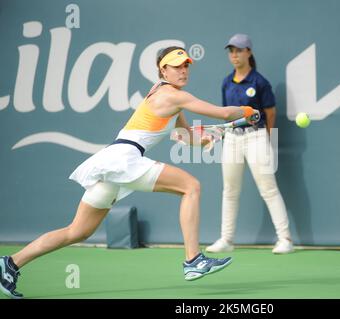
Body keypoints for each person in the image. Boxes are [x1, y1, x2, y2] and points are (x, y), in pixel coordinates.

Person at [0, 46, 258, 299]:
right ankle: (193, 260)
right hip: (125, 159)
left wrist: (206, 138)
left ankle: (10, 264)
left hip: (114, 161)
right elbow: (224, 112)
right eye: (176, 66)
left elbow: (184, 135)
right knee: (191, 186)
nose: (183, 70)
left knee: (77, 231)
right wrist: (248, 111)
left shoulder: (166, 96)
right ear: (163, 70)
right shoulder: (173, 95)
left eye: (186, 65)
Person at [206, 34, 294, 255]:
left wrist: (267, 139)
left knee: (268, 188)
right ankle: (226, 239)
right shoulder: (226, 82)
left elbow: (270, 113)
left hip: (256, 137)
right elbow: (227, 115)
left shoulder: (260, 82)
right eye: (231, 51)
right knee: (230, 190)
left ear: (249, 52)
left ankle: (285, 239)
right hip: (232, 139)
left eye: (239, 50)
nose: (234, 55)